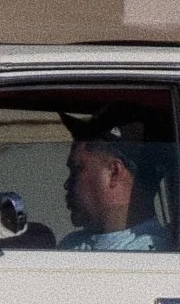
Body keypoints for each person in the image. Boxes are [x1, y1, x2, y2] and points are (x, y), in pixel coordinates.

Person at [59, 103, 173, 251]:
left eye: (77, 170)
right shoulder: (72, 243)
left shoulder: (152, 255)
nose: (67, 184)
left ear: (114, 172)